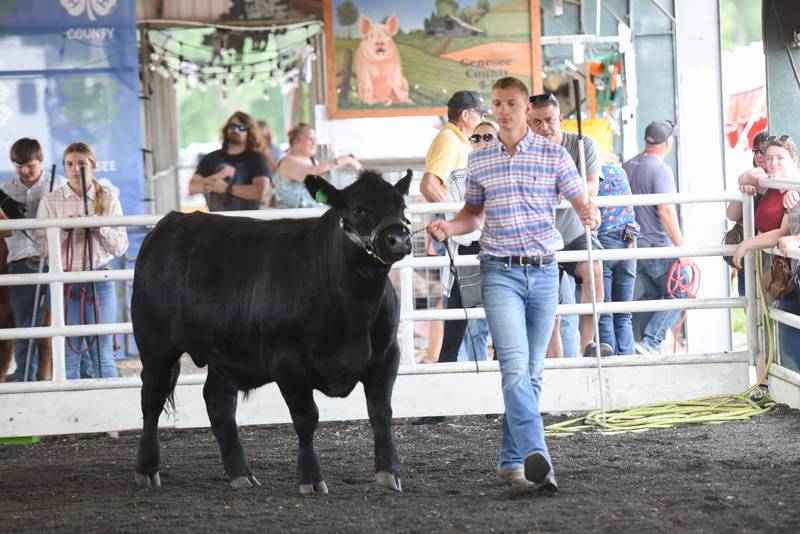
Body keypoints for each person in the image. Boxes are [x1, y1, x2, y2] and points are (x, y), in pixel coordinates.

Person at [428, 76, 598, 492]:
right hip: (499, 271)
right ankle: (537, 453)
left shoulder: (555, 156)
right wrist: (450, 226)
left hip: (543, 272)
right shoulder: (480, 158)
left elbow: (580, 199)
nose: (503, 110)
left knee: (533, 372)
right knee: (515, 367)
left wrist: (589, 212)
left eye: (511, 104)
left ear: (526, 109)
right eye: (497, 103)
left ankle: (510, 461)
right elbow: (473, 215)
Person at [528, 92, 610, 358]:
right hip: (539, 235)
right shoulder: (523, 150)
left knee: (594, 268)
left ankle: (588, 343)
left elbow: (592, 186)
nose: (544, 127)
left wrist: (562, 190)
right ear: (528, 123)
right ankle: (557, 362)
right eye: (536, 122)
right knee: (547, 303)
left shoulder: (582, 145)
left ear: (560, 119)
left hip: (574, 230)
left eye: (549, 120)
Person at [35, 143, 128, 379]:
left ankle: (111, 408)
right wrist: (63, 228)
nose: (75, 169)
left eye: (82, 164)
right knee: (69, 351)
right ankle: (71, 412)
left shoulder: (107, 199)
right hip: (65, 280)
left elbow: (120, 247)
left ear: (93, 166)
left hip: (100, 278)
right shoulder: (50, 201)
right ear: (64, 167)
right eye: (70, 164)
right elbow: (42, 247)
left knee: (102, 352)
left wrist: (99, 225)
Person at [418, 90, 488, 364]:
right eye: (480, 115)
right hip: (461, 232)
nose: (481, 121)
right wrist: (457, 219)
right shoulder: (449, 140)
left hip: (462, 230)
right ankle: (446, 358)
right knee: (460, 297)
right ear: (466, 115)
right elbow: (429, 185)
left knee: (458, 295)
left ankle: (445, 357)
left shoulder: (460, 142)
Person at [623, 120, 694, 355]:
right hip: (658, 246)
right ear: (668, 142)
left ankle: (633, 343)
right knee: (679, 292)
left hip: (636, 247)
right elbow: (666, 211)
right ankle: (650, 342)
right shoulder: (660, 170)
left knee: (653, 295)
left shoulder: (629, 165)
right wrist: (682, 249)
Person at [732, 135, 800, 372]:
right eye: (768, 158)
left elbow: (784, 232)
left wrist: (748, 243)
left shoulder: (794, 188)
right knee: (783, 333)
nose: (773, 163)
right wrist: (747, 182)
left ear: (795, 159)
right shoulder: (774, 185)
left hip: (790, 268)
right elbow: (746, 177)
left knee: (789, 336)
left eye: (780, 158)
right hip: (782, 271)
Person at [2, 138, 67, 381]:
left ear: (40, 161)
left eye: (30, 165)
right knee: (24, 325)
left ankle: (62, 375)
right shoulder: (5, 190)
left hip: (55, 260)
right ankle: (24, 378)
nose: (25, 172)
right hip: (19, 259)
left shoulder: (59, 185)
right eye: (19, 167)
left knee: (60, 323)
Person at [438, 121, 497, 363]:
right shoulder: (456, 178)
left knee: (504, 335)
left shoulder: (508, 174)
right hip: (462, 262)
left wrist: (472, 224)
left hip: (498, 259)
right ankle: (443, 391)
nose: (481, 142)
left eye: (488, 138)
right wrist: (481, 226)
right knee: (453, 338)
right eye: (476, 138)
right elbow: (459, 231)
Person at [189, 111, 271, 212]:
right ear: (226, 129)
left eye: (242, 127)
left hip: (248, 223)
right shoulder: (211, 158)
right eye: (232, 126)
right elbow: (192, 187)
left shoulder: (256, 158)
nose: (236, 130)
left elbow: (260, 192)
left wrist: (227, 188)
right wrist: (218, 177)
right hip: (216, 222)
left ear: (249, 132)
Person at [597, 163, 639, 355]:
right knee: (624, 312)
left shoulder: (592, 176)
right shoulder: (619, 172)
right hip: (629, 237)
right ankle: (627, 358)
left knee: (604, 310)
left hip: (603, 238)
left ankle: (609, 359)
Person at [272, 122, 361, 209]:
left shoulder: (312, 161)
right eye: (310, 139)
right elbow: (313, 173)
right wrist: (347, 159)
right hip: (291, 220)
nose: (314, 143)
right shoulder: (288, 162)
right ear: (296, 141)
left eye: (315, 140)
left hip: (312, 217)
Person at [726, 130, 769, 296]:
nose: (759, 155)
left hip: (770, 256)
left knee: (772, 311)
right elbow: (732, 215)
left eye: (764, 151)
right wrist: (743, 193)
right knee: (748, 306)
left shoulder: (780, 180)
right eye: (756, 151)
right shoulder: (748, 181)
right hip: (749, 257)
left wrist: (745, 180)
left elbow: (745, 176)